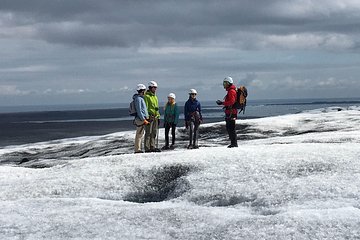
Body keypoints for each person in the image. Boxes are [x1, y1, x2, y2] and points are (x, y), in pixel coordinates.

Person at [216, 76, 238, 148]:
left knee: (231, 128)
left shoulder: (231, 91)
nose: (224, 85)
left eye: (225, 83)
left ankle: (234, 143)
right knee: (230, 127)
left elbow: (232, 101)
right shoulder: (231, 90)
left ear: (228, 83)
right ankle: (233, 143)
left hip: (231, 112)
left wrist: (222, 103)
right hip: (231, 112)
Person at [144, 81, 161, 152]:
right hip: (150, 117)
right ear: (150, 87)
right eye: (154, 88)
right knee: (148, 132)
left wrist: (158, 116)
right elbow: (146, 107)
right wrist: (147, 117)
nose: (155, 89)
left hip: (155, 117)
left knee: (154, 132)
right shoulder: (146, 96)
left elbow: (156, 107)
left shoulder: (155, 97)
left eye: (156, 88)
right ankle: (147, 148)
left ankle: (152, 146)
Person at [133, 84, 150, 153]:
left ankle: (138, 148)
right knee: (139, 134)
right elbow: (139, 110)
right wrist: (143, 119)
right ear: (142, 91)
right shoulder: (138, 99)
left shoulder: (139, 98)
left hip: (141, 119)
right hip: (140, 119)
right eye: (144, 90)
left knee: (140, 134)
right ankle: (137, 149)